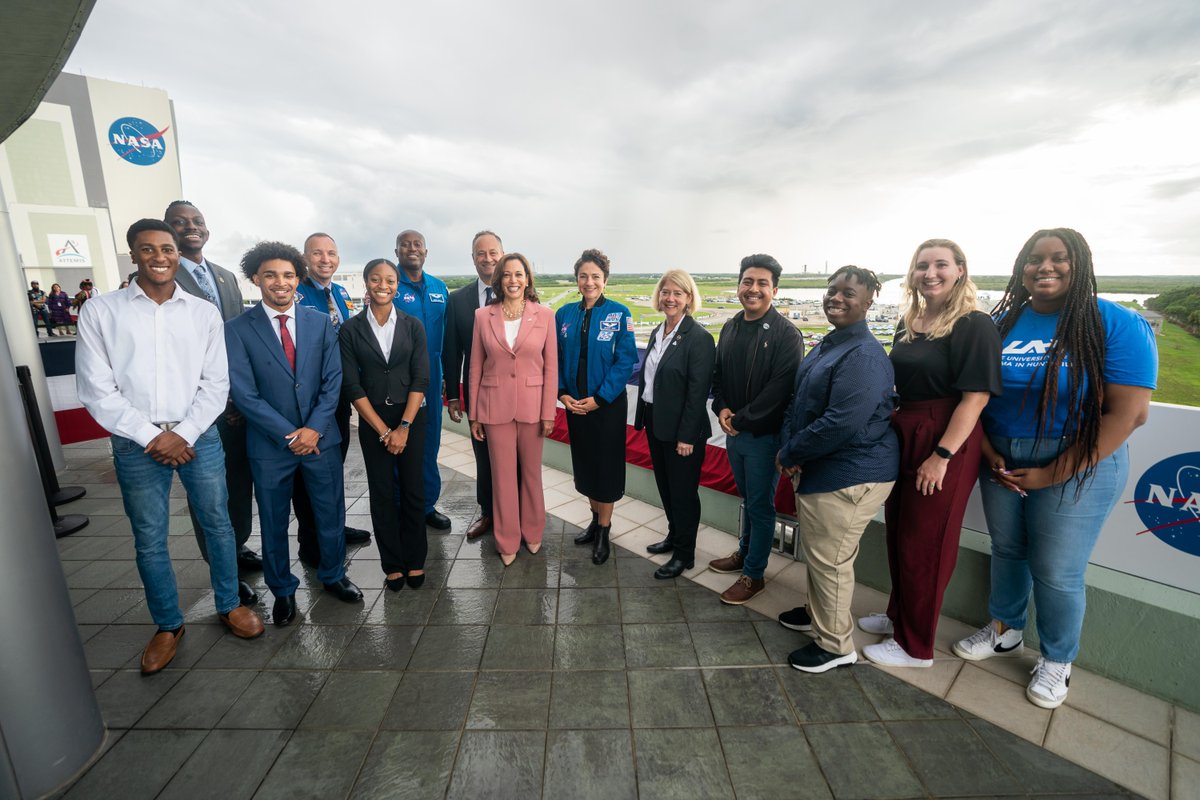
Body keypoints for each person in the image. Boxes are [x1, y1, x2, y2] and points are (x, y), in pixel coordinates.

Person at [952, 228, 1156, 709]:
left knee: (1057, 569)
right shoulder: (1000, 321)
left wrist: (1052, 472)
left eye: (1058, 258)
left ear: (1079, 264)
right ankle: (1004, 629)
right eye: (1033, 259)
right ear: (1020, 268)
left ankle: (1058, 659)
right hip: (1000, 455)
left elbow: (1129, 414)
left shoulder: (1113, 322)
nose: (1045, 267)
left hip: (1080, 459)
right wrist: (985, 448)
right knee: (1008, 548)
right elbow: (973, 395)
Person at [75, 219, 263, 675]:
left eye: (168, 249)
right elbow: (97, 389)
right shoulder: (101, 312)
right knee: (150, 538)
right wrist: (152, 436)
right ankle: (167, 625)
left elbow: (216, 383)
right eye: (148, 249)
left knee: (219, 525)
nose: (160, 256)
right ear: (133, 254)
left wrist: (185, 432)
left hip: (198, 435)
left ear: (177, 254)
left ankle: (227, 603)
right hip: (136, 443)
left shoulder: (201, 313)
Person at [856, 240, 1001, 668]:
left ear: (960, 270)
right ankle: (900, 617)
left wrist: (941, 455)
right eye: (922, 266)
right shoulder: (910, 319)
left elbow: (975, 399)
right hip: (907, 430)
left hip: (944, 435)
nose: (930, 273)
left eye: (941, 265)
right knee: (901, 532)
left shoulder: (974, 324)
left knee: (927, 542)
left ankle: (915, 647)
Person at [225, 241, 363, 628]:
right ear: (256, 279)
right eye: (270, 275)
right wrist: (290, 435)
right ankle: (283, 589)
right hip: (270, 446)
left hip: (321, 440)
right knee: (272, 520)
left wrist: (314, 429)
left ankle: (334, 575)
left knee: (330, 513)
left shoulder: (319, 323)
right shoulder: (237, 330)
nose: (280, 283)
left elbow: (332, 380)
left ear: (298, 279)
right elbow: (244, 394)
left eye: (287, 275)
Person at [776, 266, 899, 673]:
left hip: (849, 472)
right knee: (820, 553)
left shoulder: (863, 354)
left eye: (848, 293)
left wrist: (793, 451)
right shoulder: (832, 343)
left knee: (830, 560)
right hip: (820, 466)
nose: (836, 298)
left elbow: (842, 422)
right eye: (832, 290)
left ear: (868, 302)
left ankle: (834, 645)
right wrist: (790, 446)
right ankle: (818, 613)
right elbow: (800, 399)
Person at [164, 200, 262, 602]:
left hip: (234, 405)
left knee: (238, 484)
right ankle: (222, 570)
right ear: (169, 231)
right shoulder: (160, 278)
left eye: (198, 221)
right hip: (193, 409)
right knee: (207, 493)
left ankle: (236, 547)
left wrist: (239, 398)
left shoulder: (223, 277)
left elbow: (235, 343)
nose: (191, 227)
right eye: (180, 223)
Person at [709, 254, 803, 604]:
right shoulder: (731, 326)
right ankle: (744, 553)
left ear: (774, 290)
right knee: (748, 501)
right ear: (739, 286)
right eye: (748, 281)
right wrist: (720, 408)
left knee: (761, 506)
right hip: (735, 434)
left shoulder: (786, 335)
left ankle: (753, 574)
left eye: (762, 283)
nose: (753, 289)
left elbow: (779, 393)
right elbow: (716, 378)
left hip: (765, 438)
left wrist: (739, 419)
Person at [340, 258, 430, 590]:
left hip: (411, 418)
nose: (383, 285)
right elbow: (352, 385)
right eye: (376, 279)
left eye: (390, 280)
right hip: (372, 418)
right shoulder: (351, 330)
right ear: (366, 282)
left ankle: (415, 560)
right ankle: (392, 563)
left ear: (397, 285)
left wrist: (404, 427)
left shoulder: (412, 325)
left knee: (412, 489)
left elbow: (421, 379)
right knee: (381, 492)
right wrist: (383, 431)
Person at [469, 253, 558, 565]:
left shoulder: (545, 315)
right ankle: (507, 540)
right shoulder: (483, 316)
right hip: (494, 409)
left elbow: (551, 369)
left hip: (534, 409)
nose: (513, 280)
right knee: (502, 477)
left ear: (528, 279)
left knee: (531, 475)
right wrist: (474, 414)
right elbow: (476, 367)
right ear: (499, 280)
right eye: (507, 275)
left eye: (519, 274)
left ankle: (533, 532)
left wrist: (550, 411)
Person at [556, 248, 638, 565]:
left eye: (595, 276)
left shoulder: (620, 313)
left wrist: (599, 399)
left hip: (606, 407)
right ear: (577, 279)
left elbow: (626, 361)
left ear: (605, 280)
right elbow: (559, 359)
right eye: (583, 276)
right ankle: (593, 520)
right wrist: (563, 394)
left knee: (605, 469)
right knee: (586, 466)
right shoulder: (564, 314)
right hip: (574, 405)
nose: (589, 282)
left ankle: (604, 529)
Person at [294, 232, 373, 560]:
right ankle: (310, 542)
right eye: (317, 253)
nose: (325, 259)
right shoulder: (296, 294)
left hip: (339, 395)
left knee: (333, 466)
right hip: (310, 399)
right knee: (308, 472)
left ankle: (333, 528)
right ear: (305, 259)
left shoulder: (340, 292)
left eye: (331, 253)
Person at [634, 269, 715, 579]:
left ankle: (685, 554)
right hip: (657, 422)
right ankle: (674, 535)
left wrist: (686, 436)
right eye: (666, 292)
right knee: (666, 488)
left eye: (677, 293)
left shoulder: (699, 338)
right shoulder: (659, 331)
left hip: (684, 430)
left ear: (688, 298)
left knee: (683, 493)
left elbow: (698, 393)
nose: (670, 298)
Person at [444, 231, 504, 540]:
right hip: (478, 393)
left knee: (514, 457)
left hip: (513, 394)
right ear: (473, 259)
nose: (488, 258)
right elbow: (452, 350)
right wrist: (453, 395)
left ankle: (515, 513)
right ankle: (488, 513)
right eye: (481, 253)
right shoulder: (458, 300)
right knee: (483, 455)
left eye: (493, 252)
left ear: (503, 254)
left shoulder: (518, 293)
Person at [392, 230, 452, 530]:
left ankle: (427, 504)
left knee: (429, 444)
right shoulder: (390, 285)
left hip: (433, 377)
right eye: (405, 245)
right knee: (400, 442)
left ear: (425, 252)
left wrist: (444, 373)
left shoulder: (440, 288)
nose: (412, 249)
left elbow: (448, 337)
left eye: (417, 245)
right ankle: (401, 503)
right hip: (400, 380)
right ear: (397, 251)